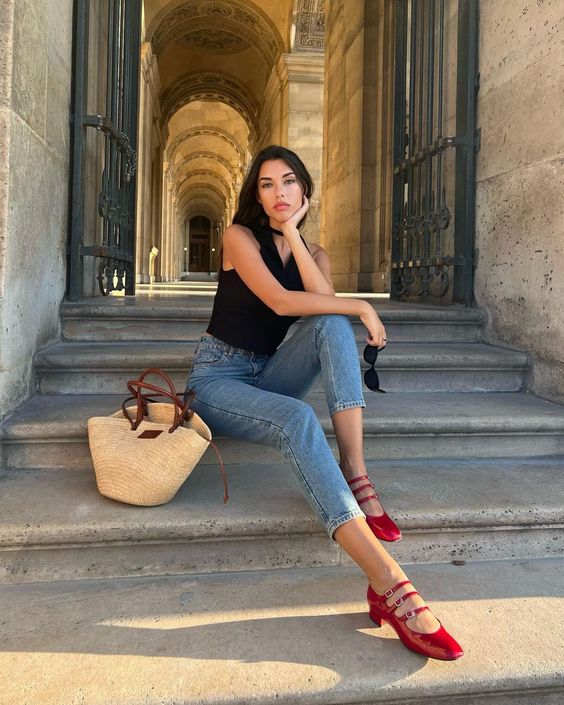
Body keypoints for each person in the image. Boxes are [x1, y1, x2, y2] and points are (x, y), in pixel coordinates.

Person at [186, 145, 463, 661]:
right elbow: (280, 302)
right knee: (297, 415)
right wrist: (361, 304)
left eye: (288, 182)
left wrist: (296, 238)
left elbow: (321, 305)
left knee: (331, 323)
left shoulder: (316, 255)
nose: (278, 193)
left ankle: (355, 472)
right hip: (217, 379)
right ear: (256, 194)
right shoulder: (238, 237)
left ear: (304, 190)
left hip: (269, 373)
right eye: (266, 185)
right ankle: (388, 579)